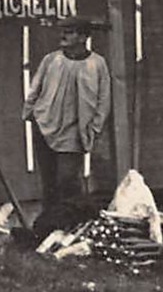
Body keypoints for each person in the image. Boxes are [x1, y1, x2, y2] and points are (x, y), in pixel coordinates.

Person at [23, 17, 111, 239]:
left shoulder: (97, 64)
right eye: (62, 31)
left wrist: (95, 128)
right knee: (49, 181)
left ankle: (72, 228)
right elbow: (35, 88)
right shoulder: (51, 60)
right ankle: (47, 230)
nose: (63, 35)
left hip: (74, 133)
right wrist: (31, 113)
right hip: (44, 127)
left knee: (67, 181)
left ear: (83, 37)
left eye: (70, 32)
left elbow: (103, 100)